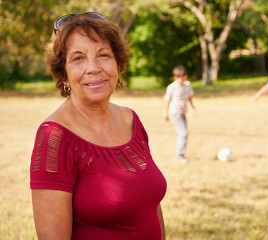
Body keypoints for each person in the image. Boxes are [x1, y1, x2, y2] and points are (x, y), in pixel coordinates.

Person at [29, 12, 167, 240]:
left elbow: (151, 205)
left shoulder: (130, 119)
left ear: (118, 65)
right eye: (78, 58)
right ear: (63, 74)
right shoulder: (54, 137)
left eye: (103, 55)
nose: (93, 67)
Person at [163, 66, 195, 163]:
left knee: (183, 133)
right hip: (175, 113)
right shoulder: (171, 87)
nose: (182, 80)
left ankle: (181, 153)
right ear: (175, 77)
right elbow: (167, 100)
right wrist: (165, 112)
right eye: (180, 78)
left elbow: (189, 96)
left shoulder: (187, 85)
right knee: (183, 133)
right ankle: (180, 155)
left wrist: (193, 107)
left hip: (183, 112)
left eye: (184, 77)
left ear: (186, 76)